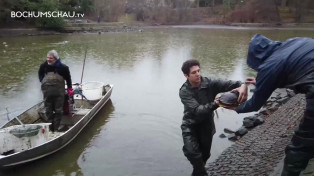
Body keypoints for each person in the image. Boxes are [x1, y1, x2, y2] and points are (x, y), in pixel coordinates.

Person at [233, 34, 314, 176]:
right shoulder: (293, 42)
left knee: (298, 147)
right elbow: (299, 74)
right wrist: (262, 83)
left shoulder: (269, 65)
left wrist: (236, 108)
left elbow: (254, 105)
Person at [179, 59, 248, 176]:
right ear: (186, 75)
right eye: (194, 72)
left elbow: (231, 83)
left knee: (204, 157)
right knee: (192, 153)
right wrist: (216, 103)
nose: (198, 74)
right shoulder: (184, 91)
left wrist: (243, 85)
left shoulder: (210, 83)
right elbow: (197, 110)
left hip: (207, 125)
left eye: (198, 71)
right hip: (190, 125)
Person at [38, 50, 73, 132]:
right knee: (48, 110)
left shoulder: (63, 67)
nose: (48, 59)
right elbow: (40, 74)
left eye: (51, 58)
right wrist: (42, 80)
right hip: (47, 93)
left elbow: (68, 79)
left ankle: (56, 128)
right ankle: (50, 128)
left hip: (59, 93)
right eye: (47, 57)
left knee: (58, 111)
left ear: (56, 59)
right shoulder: (43, 66)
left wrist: (69, 88)